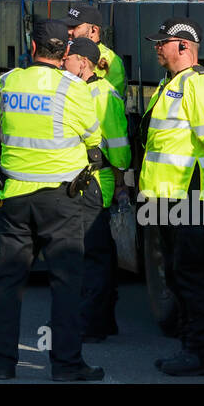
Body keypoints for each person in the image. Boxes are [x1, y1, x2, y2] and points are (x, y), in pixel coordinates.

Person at [0, 19, 104, 381]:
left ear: (33, 49)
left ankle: (3, 365)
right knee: (65, 282)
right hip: (60, 198)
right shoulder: (74, 89)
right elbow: (92, 139)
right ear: (66, 52)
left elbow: (4, 126)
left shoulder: (8, 83)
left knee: (9, 280)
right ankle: (66, 365)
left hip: (16, 195)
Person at [138, 16, 204, 377]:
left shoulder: (201, 83)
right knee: (180, 276)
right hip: (168, 197)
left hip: (193, 196)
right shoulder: (172, 84)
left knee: (194, 277)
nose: (156, 48)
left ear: (184, 46)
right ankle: (190, 348)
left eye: (162, 42)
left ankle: (200, 354)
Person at [64, 36, 132, 342]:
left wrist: (120, 181)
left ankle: (92, 324)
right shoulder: (79, 89)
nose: (63, 62)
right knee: (98, 254)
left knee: (94, 256)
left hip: (97, 182)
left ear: (82, 62)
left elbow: (118, 142)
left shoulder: (103, 93)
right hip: (86, 180)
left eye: (67, 58)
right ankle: (103, 321)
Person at [64, 2, 126, 98]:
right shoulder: (66, 50)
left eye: (75, 26)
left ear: (94, 30)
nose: (69, 31)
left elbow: (109, 100)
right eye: (68, 26)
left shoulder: (110, 61)